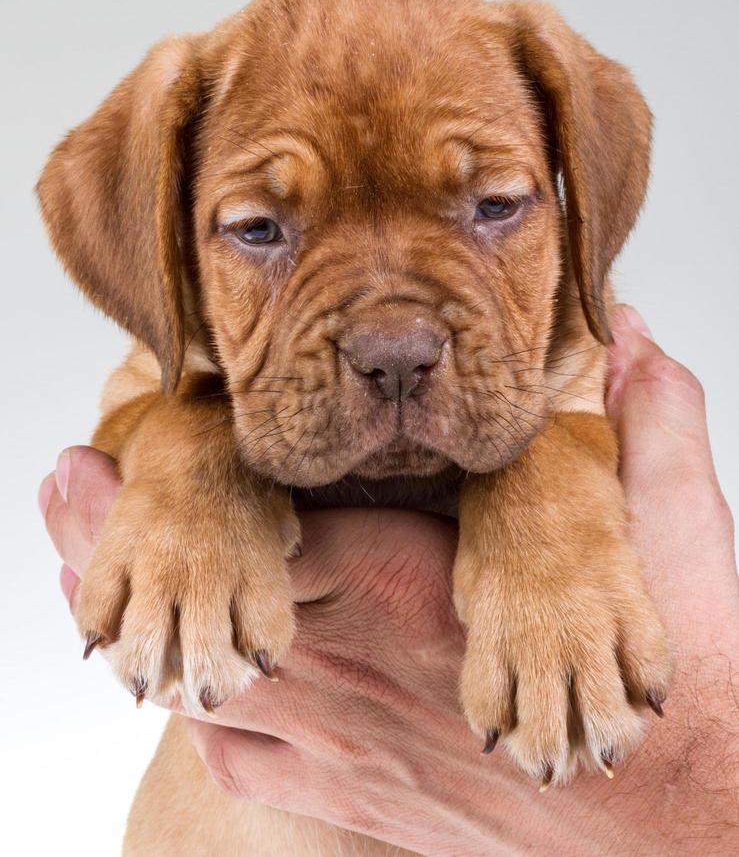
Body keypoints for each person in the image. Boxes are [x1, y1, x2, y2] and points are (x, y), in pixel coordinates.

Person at [40, 306, 739, 855]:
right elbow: (133, 417)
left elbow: (581, 423)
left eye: (491, 206)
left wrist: (664, 807)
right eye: (261, 230)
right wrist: (190, 464)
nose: (396, 338)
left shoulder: (550, 346)